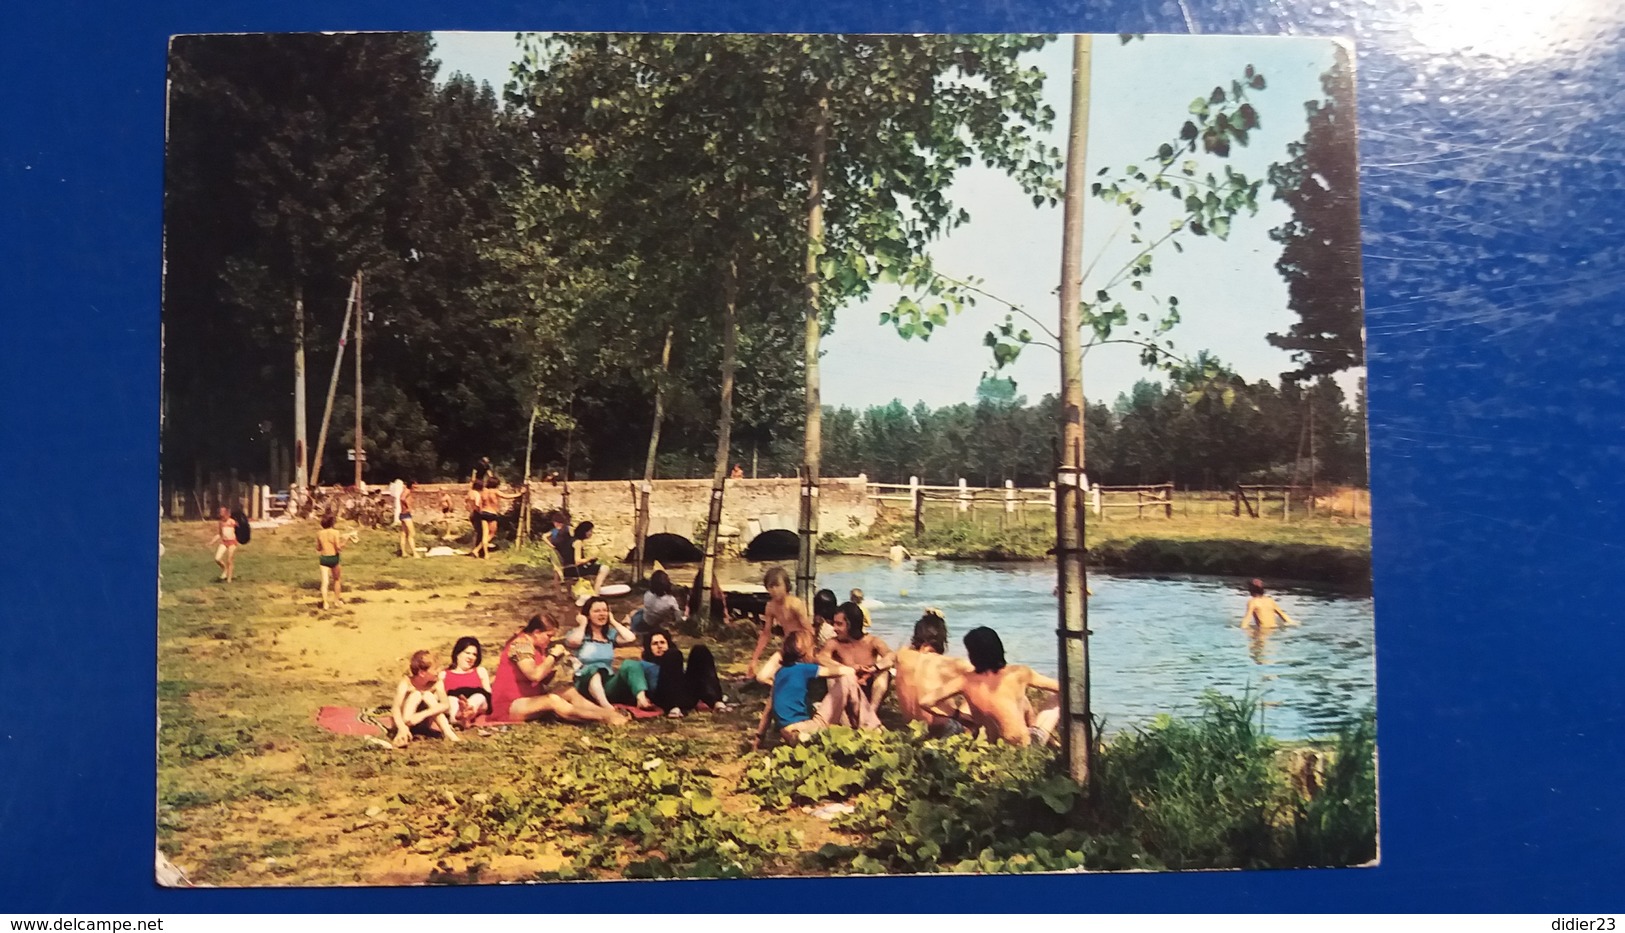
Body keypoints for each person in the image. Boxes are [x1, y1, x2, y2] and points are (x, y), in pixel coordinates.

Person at [919, 626, 1060, 747]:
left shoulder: (965, 680)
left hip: (993, 747)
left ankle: (1049, 740)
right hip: (1025, 746)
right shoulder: (1019, 673)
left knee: (1021, 701)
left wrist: (958, 716)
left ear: (973, 655)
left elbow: (925, 701)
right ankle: (1053, 740)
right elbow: (1061, 687)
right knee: (1057, 697)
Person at [489, 613, 624, 725]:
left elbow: (544, 679)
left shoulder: (536, 647)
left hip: (529, 697)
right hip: (510, 704)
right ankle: (602, 718)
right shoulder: (520, 645)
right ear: (536, 632)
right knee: (553, 699)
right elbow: (534, 675)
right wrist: (552, 656)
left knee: (569, 691)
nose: (550, 640)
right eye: (548, 636)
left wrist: (560, 662)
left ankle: (606, 712)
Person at [755, 630, 880, 746]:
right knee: (847, 678)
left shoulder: (780, 673)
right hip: (804, 728)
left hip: (787, 732)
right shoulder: (803, 669)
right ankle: (872, 727)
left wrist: (759, 738)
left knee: (819, 704)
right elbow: (835, 671)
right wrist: (855, 669)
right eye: (812, 649)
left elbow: (769, 709)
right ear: (805, 652)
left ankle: (861, 725)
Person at [893, 609, 975, 735]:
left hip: (913, 728)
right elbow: (985, 675)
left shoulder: (902, 655)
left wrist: (926, 621)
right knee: (977, 687)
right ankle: (969, 733)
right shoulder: (949, 664)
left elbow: (909, 645)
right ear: (942, 638)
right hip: (940, 727)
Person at [566, 596, 653, 712]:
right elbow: (574, 641)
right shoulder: (579, 634)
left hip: (607, 683)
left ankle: (641, 699)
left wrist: (613, 621)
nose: (602, 614)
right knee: (593, 668)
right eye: (597, 611)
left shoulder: (609, 635)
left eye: (605, 610)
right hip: (585, 683)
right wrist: (583, 624)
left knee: (631, 664)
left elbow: (630, 638)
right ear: (587, 615)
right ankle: (607, 707)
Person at [818, 601, 896, 708]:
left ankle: (871, 714)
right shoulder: (834, 643)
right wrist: (849, 669)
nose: (834, 628)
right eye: (834, 623)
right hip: (845, 687)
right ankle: (843, 719)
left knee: (884, 673)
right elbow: (821, 658)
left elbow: (891, 656)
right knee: (832, 677)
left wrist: (875, 668)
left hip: (868, 687)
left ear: (851, 625)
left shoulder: (872, 641)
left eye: (839, 624)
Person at [641, 630, 729, 719]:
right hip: (663, 697)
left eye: (662, 642)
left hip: (685, 695)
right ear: (649, 648)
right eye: (655, 644)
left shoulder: (674, 659)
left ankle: (716, 701)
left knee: (700, 650)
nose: (659, 646)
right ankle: (673, 708)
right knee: (672, 655)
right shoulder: (644, 665)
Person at [749, 566, 816, 673]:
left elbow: (808, 629)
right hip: (788, 647)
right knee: (762, 676)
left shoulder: (795, 604)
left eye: (777, 585)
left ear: (786, 585)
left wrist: (810, 651)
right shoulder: (770, 607)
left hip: (802, 646)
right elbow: (766, 634)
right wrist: (754, 659)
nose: (774, 590)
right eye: (771, 586)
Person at [391, 650, 460, 747]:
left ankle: (449, 733)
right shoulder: (406, 682)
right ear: (422, 673)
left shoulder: (436, 683)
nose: (438, 672)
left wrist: (422, 715)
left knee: (428, 696)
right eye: (435, 669)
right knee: (416, 695)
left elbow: (445, 704)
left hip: (422, 721)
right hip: (405, 720)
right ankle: (402, 734)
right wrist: (402, 727)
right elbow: (395, 708)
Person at [439, 636, 493, 728]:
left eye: (474, 654)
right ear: (457, 654)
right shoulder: (444, 674)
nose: (471, 657)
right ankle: (461, 717)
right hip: (455, 702)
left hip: (479, 704)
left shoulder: (480, 671)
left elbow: (488, 694)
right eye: (467, 653)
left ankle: (467, 711)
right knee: (452, 700)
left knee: (478, 697)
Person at [478, 479, 527, 558]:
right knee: (491, 534)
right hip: (492, 513)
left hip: (483, 513)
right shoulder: (495, 491)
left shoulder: (484, 492)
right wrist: (520, 493)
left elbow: (480, 504)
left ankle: (478, 551)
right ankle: (485, 553)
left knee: (485, 534)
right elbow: (507, 496)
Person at [315, 512, 348, 610]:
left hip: (324, 558)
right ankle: (336, 601)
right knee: (337, 580)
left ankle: (325, 603)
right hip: (334, 558)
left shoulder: (319, 533)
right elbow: (338, 547)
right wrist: (346, 540)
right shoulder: (335, 533)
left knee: (325, 582)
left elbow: (318, 548)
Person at [566, 521, 611, 593]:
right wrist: (589, 558)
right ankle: (596, 591)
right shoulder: (578, 542)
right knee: (605, 568)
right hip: (574, 569)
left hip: (568, 568)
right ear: (584, 531)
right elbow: (577, 561)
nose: (591, 533)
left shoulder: (571, 540)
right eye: (590, 531)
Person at [635, 569, 685, 634]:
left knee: (636, 612)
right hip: (659, 622)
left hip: (646, 622)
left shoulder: (647, 594)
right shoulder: (671, 600)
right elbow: (678, 618)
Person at [210, 506, 238, 582]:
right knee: (217, 558)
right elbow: (220, 534)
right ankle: (225, 569)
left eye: (223, 514)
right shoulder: (221, 523)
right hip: (224, 542)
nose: (222, 516)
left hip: (232, 542)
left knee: (229, 560)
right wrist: (213, 541)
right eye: (221, 514)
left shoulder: (232, 521)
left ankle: (229, 578)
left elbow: (239, 528)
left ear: (227, 514)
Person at [397, 481, 419, 558]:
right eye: (415, 486)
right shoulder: (407, 491)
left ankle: (403, 553)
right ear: (411, 485)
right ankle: (414, 553)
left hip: (403, 514)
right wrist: (408, 506)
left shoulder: (406, 491)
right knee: (412, 534)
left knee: (403, 534)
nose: (416, 487)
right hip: (406, 515)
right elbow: (402, 498)